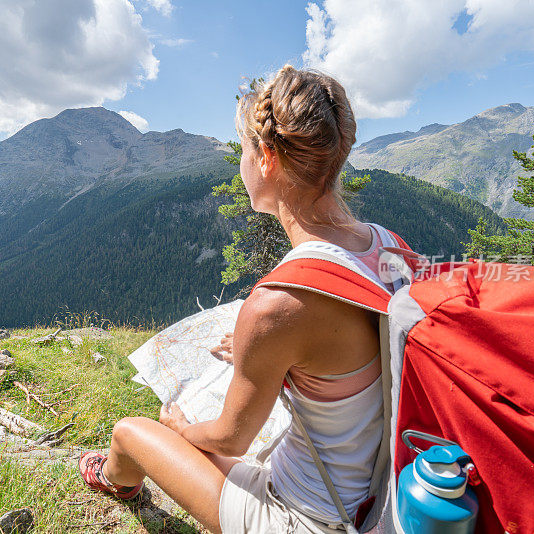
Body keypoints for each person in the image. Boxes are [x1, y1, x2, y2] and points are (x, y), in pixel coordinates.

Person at [79, 64, 411, 533]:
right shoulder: (390, 245)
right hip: (392, 495)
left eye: (243, 149)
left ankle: (116, 481)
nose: (241, 163)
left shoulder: (281, 302)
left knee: (129, 433)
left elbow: (230, 440)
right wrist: (272, 357)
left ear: (267, 159)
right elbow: (360, 355)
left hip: (309, 516)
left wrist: (179, 430)